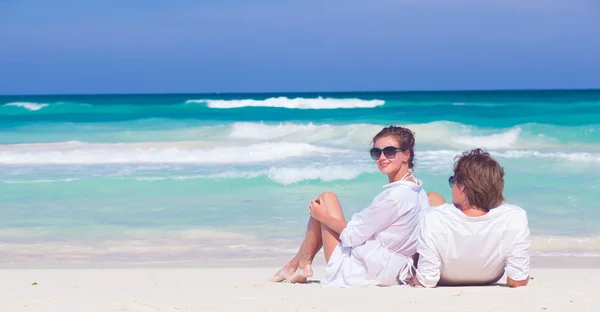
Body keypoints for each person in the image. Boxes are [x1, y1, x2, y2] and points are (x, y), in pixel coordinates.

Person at [271, 125, 429, 287]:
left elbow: (353, 234)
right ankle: (296, 265)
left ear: (406, 155)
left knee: (325, 200)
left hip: (364, 270)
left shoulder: (395, 197)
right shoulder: (418, 191)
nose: (382, 157)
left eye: (389, 151)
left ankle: (299, 264)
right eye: (376, 153)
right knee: (326, 203)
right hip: (391, 269)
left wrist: (321, 216)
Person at [412, 148, 531, 288]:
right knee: (435, 199)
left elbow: (426, 280)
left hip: (445, 277)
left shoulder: (431, 217)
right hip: (489, 278)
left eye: (453, 182)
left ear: (463, 188)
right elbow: (518, 280)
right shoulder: (515, 216)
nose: (452, 187)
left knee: (432, 198)